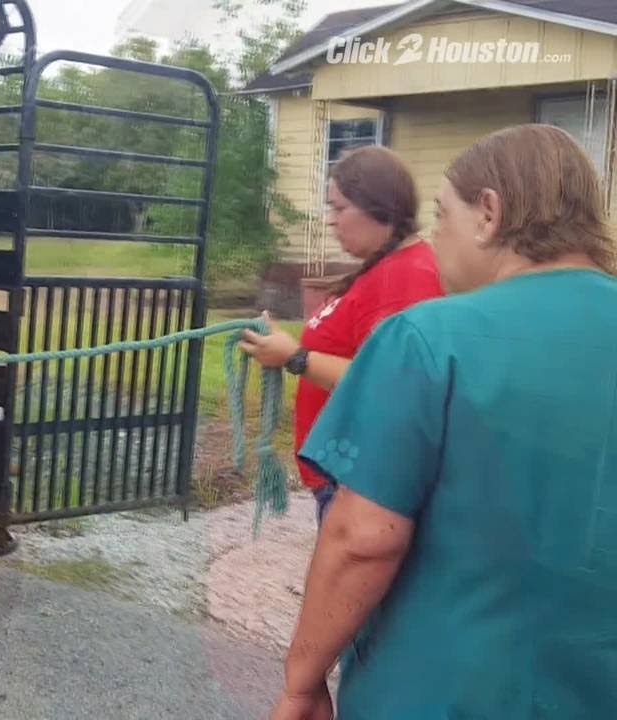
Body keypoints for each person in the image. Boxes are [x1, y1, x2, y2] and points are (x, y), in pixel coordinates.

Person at [269, 123, 617, 720]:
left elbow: (363, 539)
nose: (434, 240)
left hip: (442, 690)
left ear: (489, 213)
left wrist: (302, 681)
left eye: (441, 216)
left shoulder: (428, 337)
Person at [240, 145, 443, 525]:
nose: (331, 221)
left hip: (359, 482)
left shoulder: (406, 277)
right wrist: (284, 345)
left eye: (339, 208)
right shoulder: (384, 268)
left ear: (379, 206)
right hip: (343, 474)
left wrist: (295, 358)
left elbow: (392, 384)